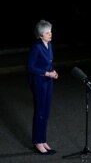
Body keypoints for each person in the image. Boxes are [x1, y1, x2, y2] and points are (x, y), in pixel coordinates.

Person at [26, 19, 58, 155]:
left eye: (50, 31)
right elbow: (30, 66)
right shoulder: (36, 47)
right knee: (39, 112)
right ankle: (37, 142)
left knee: (45, 111)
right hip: (38, 82)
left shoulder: (49, 45)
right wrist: (46, 73)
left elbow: (48, 63)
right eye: (47, 32)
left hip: (47, 81)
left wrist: (53, 71)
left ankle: (43, 140)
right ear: (40, 35)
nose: (50, 34)